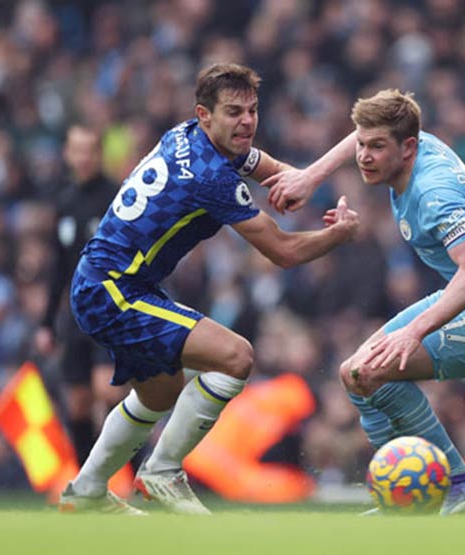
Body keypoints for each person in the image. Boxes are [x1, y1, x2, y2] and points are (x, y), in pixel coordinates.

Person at [58, 63, 359, 515]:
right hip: (113, 290)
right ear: (204, 114)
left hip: (110, 282)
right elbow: (282, 251)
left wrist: (300, 179)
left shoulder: (189, 136)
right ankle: (163, 472)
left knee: (161, 392)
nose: (247, 122)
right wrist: (337, 236)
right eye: (235, 112)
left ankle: (86, 492)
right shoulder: (211, 178)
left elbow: (260, 162)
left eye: (253, 111)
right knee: (236, 356)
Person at [266, 90, 465, 515]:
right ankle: (404, 499)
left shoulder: (434, 193)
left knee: (371, 371)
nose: (364, 156)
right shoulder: (416, 144)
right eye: (363, 144)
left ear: (408, 147)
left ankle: (458, 487)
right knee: (354, 375)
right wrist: (311, 176)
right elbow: (360, 135)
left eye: (377, 147)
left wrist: (415, 331)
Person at [34, 125, 123, 466]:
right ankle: (90, 485)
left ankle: (136, 470)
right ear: (68, 154)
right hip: (74, 314)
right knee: (78, 403)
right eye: (77, 150)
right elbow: (59, 267)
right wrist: (46, 323)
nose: (84, 157)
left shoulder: (115, 197)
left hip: (109, 308)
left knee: (108, 392)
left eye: (90, 150)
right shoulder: (64, 200)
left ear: (99, 154)